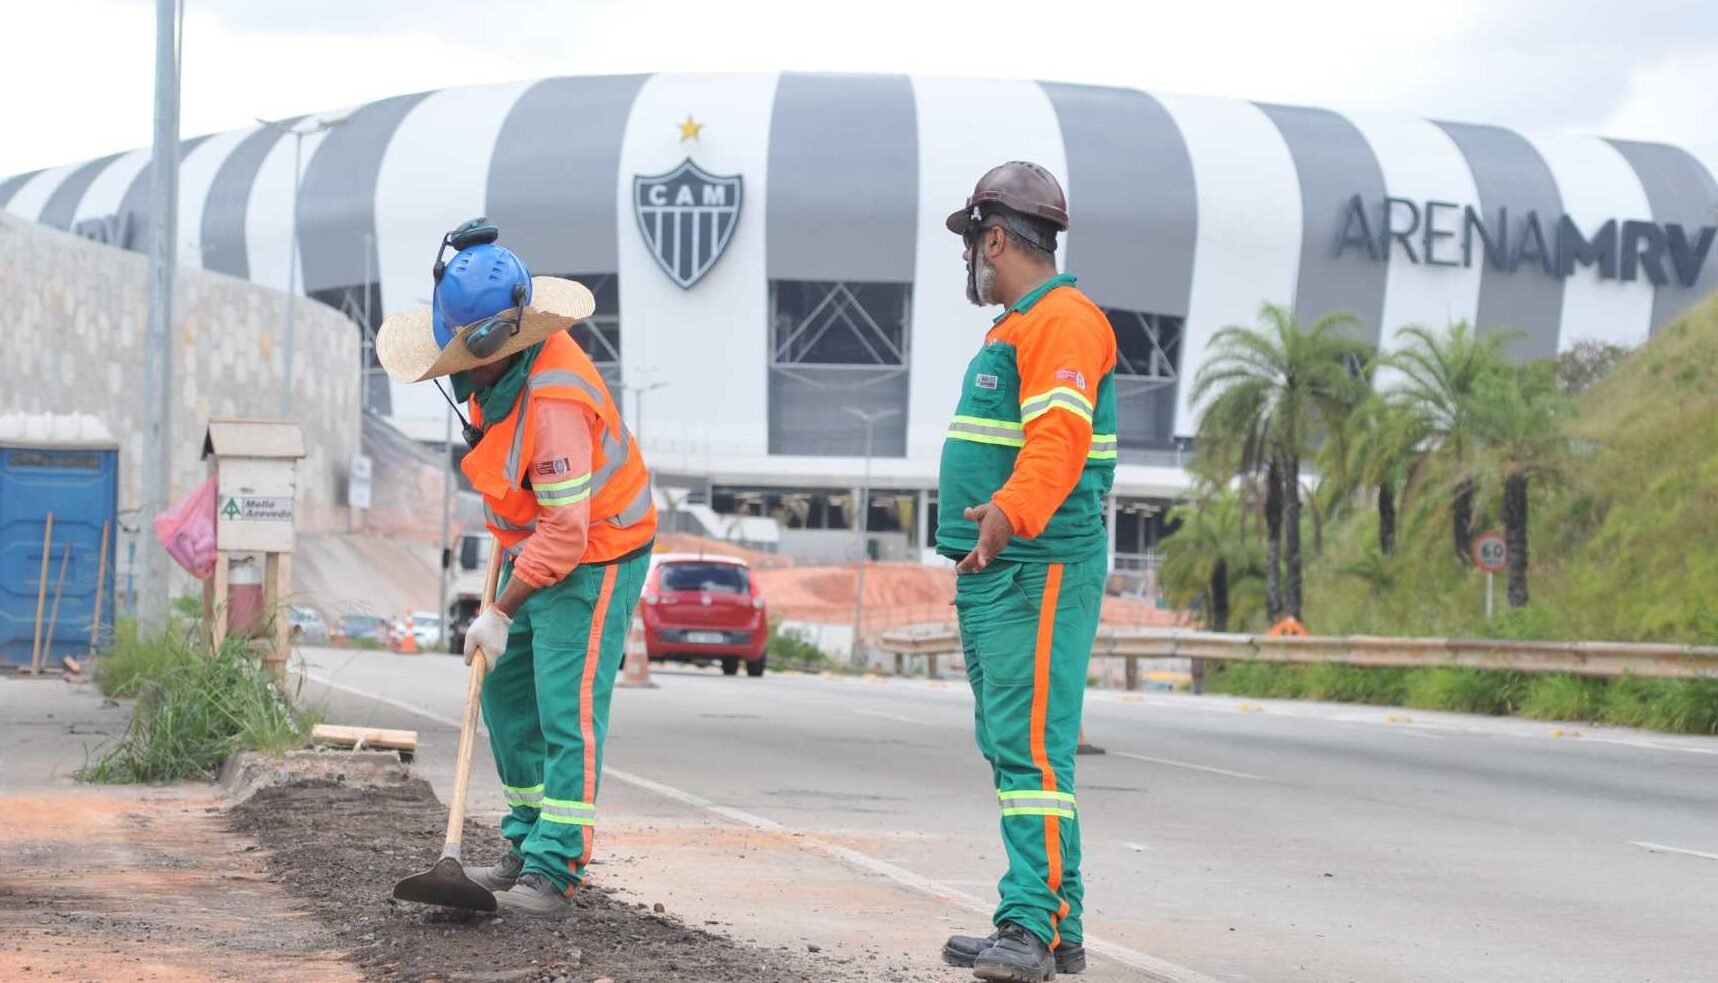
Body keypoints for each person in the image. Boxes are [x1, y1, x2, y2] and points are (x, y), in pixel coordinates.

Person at [376, 219, 656, 918]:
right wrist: (496, 600)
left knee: (568, 706)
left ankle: (555, 868)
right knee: (504, 695)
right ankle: (527, 837)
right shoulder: (497, 378)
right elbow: (521, 496)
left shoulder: (555, 400)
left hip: (599, 552)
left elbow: (566, 531)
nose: (454, 371)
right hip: (545, 539)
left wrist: (499, 608)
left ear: (494, 348)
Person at [935, 163, 1118, 982]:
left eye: (974, 241)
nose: (971, 258)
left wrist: (1010, 512)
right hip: (1004, 572)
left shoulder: (1064, 322)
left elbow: (1059, 440)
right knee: (1021, 748)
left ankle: (1029, 928)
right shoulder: (1020, 325)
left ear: (997, 237)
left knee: (1032, 753)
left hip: (1038, 567)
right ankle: (1053, 920)